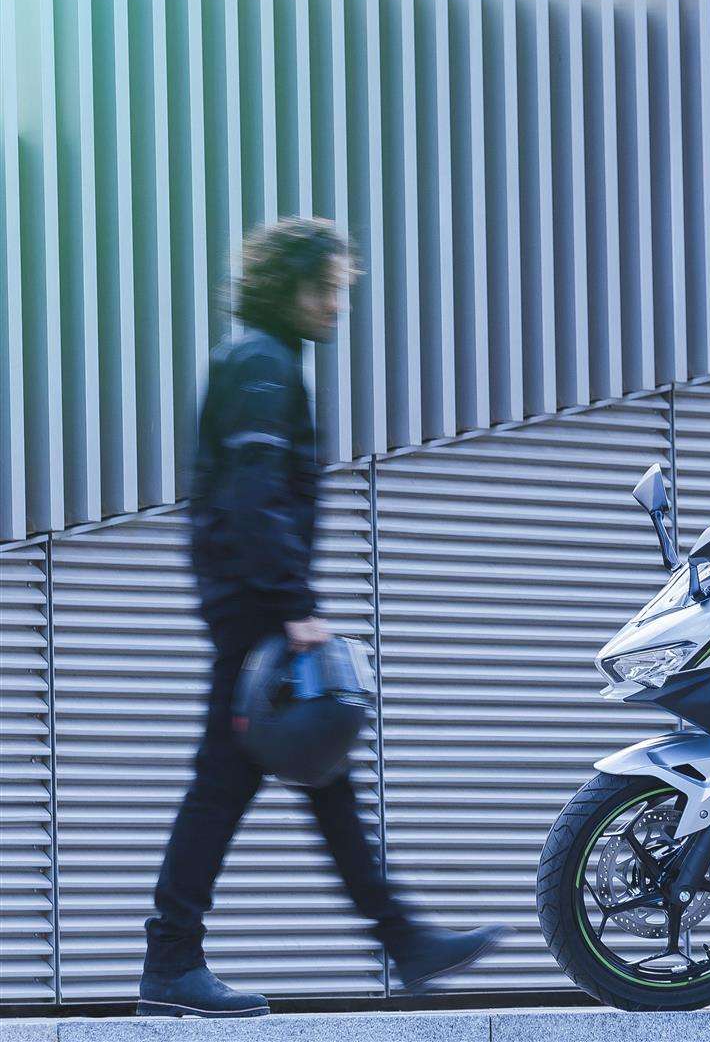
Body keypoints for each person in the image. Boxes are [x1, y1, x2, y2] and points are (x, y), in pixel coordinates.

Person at [139, 218, 509, 1018]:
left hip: (252, 599)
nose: (337, 305)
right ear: (290, 288)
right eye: (327, 289)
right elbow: (252, 492)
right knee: (229, 786)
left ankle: (402, 940)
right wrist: (294, 606)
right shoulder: (262, 365)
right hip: (255, 607)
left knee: (319, 773)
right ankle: (171, 963)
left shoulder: (264, 360)